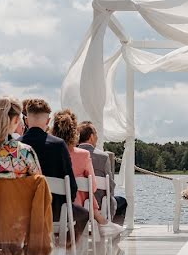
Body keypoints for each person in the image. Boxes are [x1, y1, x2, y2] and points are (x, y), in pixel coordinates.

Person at [20, 99, 89, 241]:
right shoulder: (59, 145)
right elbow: (71, 186)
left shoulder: (17, 145)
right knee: (84, 214)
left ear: (26, 120)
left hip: (24, 212)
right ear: (48, 120)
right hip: (55, 212)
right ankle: (65, 247)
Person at [52, 110, 123, 237]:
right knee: (87, 190)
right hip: (78, 209)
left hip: (51, 207)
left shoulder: (49, 153)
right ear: (75, 133)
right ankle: (104, 225)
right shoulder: (83, 155)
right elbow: (93, 187)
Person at [77, 121, 128, 225]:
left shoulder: (71, 155)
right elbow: (110, 185)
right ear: (91, 137)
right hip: (99, 204)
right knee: (122, 201)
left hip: (76, 204)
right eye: (96, 134)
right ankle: (112, 233)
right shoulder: (103, 157)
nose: (97, 137)